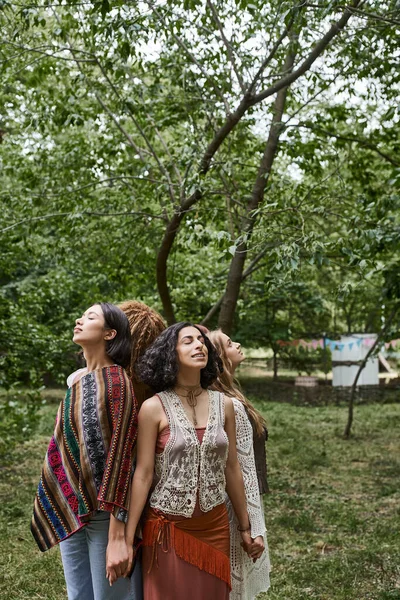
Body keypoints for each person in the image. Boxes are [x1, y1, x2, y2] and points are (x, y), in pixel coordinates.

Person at [115, 323, 264, 599]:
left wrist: (246, 527)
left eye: (201, 340)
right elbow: (144, 474)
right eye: (188, 341)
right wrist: (127, 535)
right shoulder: (153, 407)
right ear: (170, 353)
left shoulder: (225, 405)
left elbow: (232, 468)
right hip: (167, 530)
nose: (199, 345)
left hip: (215, 527)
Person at [31, 302, 138, 600]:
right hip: (71, 507)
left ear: (109, 333)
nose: (79, 319)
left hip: (104, 514)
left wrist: (118, 535)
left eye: (90, 317)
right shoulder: (77, 381)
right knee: (77, 595)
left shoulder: (118, 381)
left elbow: (121, 457)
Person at [209, 329, 271, 600]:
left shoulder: (231, 392)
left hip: (245, 499)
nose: (239, 344)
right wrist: (251, 524)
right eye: (231, 343)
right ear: (221, 356)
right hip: (234, 503)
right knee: (234, 579)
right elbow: (238, 466)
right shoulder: (227, 403)